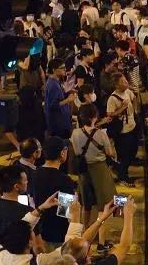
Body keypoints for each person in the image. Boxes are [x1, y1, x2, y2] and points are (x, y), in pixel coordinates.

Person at [71, 104, 117, 249]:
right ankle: (102, 242)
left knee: (86, 205)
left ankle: (85, 236)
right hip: (100, 171)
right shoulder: (101, 134)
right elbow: (109, 153)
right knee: (104, 207)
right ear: (95, 117)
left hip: (84, 171)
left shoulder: (75, 133)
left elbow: (76, 151)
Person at [31, 136, 78, 250]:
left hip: (38, 232)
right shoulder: (64, 180)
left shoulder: (33, 175)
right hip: (59, 235)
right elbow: (66, 212)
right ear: (62, 153)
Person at [0, 165, 33, 251]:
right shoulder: (27, 212)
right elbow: (37, 245)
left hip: (0, 256)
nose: (27, 182)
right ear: (16, 186)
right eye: (25, 180)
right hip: (22, 258)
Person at [106, 72, 138, 187]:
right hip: (122, 131)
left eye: (125, 80)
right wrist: (122, 108)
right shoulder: (112, 99)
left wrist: (135, 111)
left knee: (133, 151)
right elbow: (109, 114)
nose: (126, 83)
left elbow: (134, 98)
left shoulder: (128, 92)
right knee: (124, 155)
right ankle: (123, 176)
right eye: (123, 82)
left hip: (132, 127)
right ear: (116, 85)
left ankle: (121, 169)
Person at [44, 58, 75, 139]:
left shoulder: (55, 81)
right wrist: (68, 100)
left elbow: (59, 97)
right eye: (62, 68)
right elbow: (53, 105)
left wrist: (68, 93)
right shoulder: (53, 85)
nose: (65, 69)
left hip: (61, 121)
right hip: (58, 124)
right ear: (54, 70)